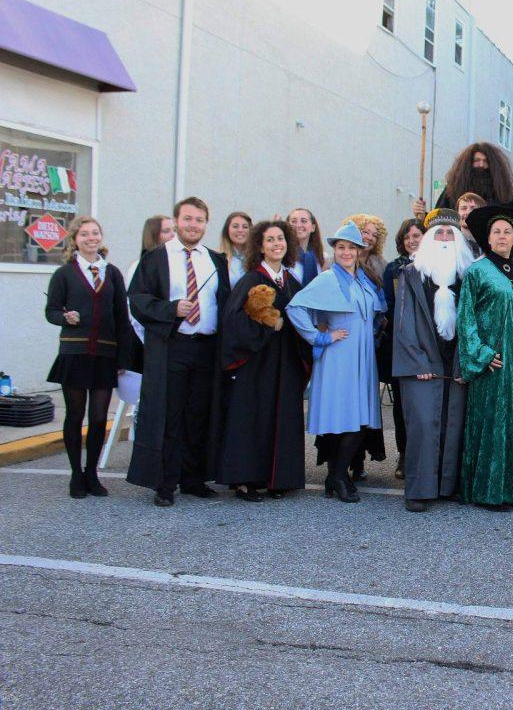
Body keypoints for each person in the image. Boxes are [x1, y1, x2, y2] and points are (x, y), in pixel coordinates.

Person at [127, 197, 231, 507]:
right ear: (176, 221)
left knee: (199, 415)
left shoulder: (215, 260)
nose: (193, 225)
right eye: (187, 219)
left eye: (199, 220)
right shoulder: (156, 258)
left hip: (206, 348)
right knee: (169, 416)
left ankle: (193, 479)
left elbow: (223, 303)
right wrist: (171, 309)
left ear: (205, 224)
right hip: (173, 346)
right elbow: (138, 300)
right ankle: (165, 483)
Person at [286, 222, 385, 503]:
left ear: (359, 251)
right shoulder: (328, 278)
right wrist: (320, 337)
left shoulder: (363, 280)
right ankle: (338, 476)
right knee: (346, 417)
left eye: (351, 248)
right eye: (341, 247)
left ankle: (336, 476)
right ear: (335, 250)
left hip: (362, 356)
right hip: (339, 355)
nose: (346, 252)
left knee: (360, 418)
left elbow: (375, 315)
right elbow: (295, 307)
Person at [456, 188, 513, 509]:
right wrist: (481, 354)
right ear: (488, 238)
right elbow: (466, 320)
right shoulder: (477, 272)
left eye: (507, 231)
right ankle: (488, 491)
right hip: (493, 362)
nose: (502, 236)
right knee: (493, 424)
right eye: (497, 231)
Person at [214, 220, 311, 501]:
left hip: (286, 362)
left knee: (281, 416)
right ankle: (245, 480)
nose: (276, 244)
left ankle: (276, 478)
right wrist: (268, 326)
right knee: (251, 418)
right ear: (260, 246)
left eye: (280, 239)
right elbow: (232, 321)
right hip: (256, 363)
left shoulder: (292, 282)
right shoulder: (251, 280)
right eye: (270, 240)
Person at [44, 217, 134, 498]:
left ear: (101, 237)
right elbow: (51, 310)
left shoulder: (113, 273)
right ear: (75, 239)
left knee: (98, 418)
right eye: (84, 234)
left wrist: (124, 357)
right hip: (75, 351)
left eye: (95, 233)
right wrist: (64, 317)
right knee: (74, 414)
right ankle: (76, 474)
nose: (90, 238)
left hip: (105, 354)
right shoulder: (64, 274)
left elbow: (122, 316)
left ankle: (92, 474)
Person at [391, 209, 475, 512]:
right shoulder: (411, 275)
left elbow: (476, 323)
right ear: (428, 239)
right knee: (424, 424)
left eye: (449, 234)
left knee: (454, 425)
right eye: (438, 233)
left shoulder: (469, 275)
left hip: (455, 364)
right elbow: (403, 325)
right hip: (422, 364)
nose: (443, 238)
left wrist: (467, 363)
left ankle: (447, 485)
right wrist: (417, 364)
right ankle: (419, 489)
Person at [338, 213, 388, 478]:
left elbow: (383, 305)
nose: (368, 237)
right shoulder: (338, 264)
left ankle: (357, 461)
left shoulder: (380, 265)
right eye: (363, 232)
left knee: (363, 404)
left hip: (370, 342)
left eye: (373, 234)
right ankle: (340, 462)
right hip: (343, 344)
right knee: (345, 403)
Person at [383, 217, 424, 479]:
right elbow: (388, 305)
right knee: (401, 405)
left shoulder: (434, 266)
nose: (412, 240)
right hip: (400, 346)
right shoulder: (393, 269)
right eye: (407, 236)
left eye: (417, 235)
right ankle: (404, 454)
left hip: (429, 346)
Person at [411, 142, 513, 218]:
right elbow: (440, 218)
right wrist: (422, 214)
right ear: (468, 164)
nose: (481, 165)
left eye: (485, 161)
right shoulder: (454, 189)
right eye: (477, 160)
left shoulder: (503, 191)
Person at [127, 215, 177, 343]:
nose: (173, 235)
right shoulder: (141, 266)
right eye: (166, 231)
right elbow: (135, 307)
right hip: (154, 338)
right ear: (154, 235)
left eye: (174, 230)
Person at [285, 208, 325, 286]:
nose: (298, 225)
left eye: (303, 221)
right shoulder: (282, 258)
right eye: (293, 221)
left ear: (313, 227)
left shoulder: (322, 259)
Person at [219, 211, 253, 287]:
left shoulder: (257, 259)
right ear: (227, 230)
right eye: (235, 226)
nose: (240, 230)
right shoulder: (219, 259)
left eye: (245, 227)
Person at [456, 192, 486, 259]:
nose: (468, 212)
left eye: (473, 208)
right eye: (463, 208)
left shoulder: (491, 244)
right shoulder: (452, 244)